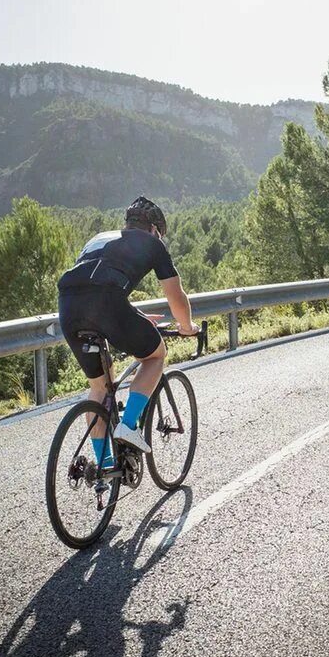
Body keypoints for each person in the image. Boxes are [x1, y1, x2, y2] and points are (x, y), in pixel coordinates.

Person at [57, 196, 198, 469]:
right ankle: (129, 426)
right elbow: (175, 295)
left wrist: (136, 316)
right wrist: (186, 326)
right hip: (108, 304)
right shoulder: (153, 244)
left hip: (68, 306)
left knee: (100, 388)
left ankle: (106, 467)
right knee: (155, 355)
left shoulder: (100, 238)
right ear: (155, 229)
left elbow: (94, 284)